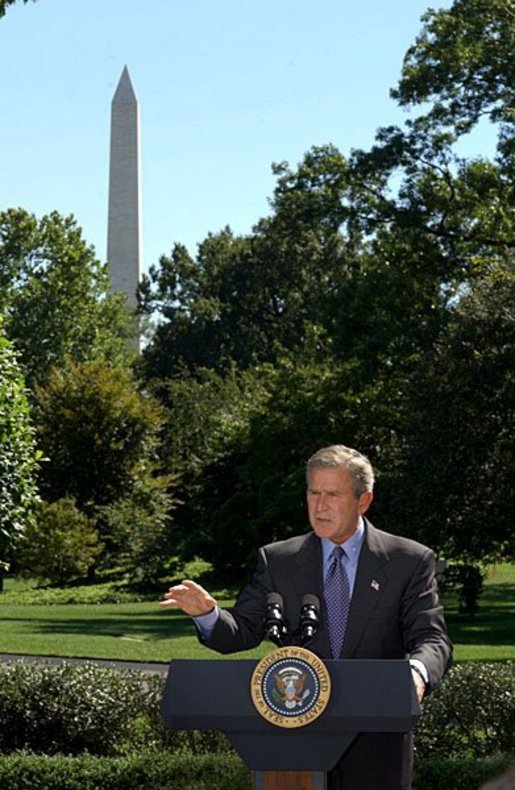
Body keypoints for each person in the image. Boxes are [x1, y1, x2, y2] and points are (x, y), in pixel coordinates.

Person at [160, 444, 452, 790]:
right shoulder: (278, 560)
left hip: (376, 744)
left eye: (333, 494)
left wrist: (416, 674)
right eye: (314, 493)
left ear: (364, 501)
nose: (320, 505)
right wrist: (209, 614)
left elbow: (432, 638)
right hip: (293, 742)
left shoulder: (409, 560)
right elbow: (242, 632)